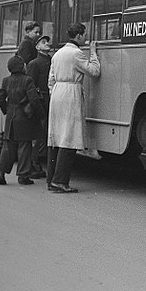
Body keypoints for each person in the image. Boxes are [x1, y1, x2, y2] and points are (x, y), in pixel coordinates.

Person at [46, 22, 100, 193]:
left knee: (56, 137)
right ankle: (60, 181)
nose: (85, 38)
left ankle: (51, 180)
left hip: (57, 93)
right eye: (84, 35)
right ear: (78, 36)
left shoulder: (57, 54)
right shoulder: (76, 53)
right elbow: (94, 71)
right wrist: (93, 53)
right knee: (68, 138)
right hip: (71, 93)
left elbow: (50, 80)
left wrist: (55, 93)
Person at [0, 55, 43, 186]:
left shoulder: (6, 80)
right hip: (24, 119)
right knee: (24, 147)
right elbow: (33, 99)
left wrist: (7, 111)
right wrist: (40, 114)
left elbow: (0, 99)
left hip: (11, 118)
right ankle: (23, 176)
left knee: (8, 147)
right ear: (22, 67)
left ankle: (1, 173)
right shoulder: (28, 80)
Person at [26, 34, 53, 178]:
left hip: (50, 101)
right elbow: (30, 87)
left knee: (45, 134)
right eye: (43, 42)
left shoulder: (51, 60)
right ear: (37, 47)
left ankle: (38, 163)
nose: (47, 44)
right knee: (37, 135)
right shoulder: (34, 64)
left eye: (47, 41)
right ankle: (33, 165)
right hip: (40, 102)